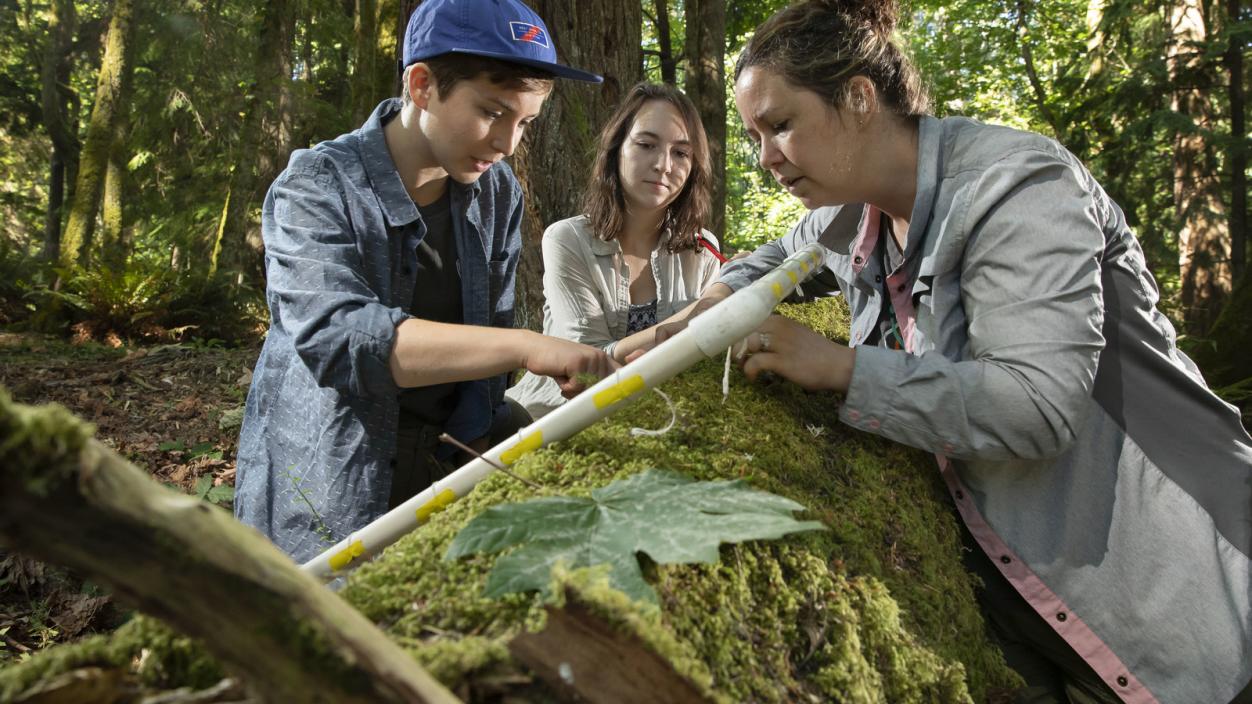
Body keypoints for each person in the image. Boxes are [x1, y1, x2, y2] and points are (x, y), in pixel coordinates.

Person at [667, 1, 1252, 702]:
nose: (765, 158)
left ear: (857, 98)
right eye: (755, 136)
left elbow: (1037, 408)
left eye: (780, 125)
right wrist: (687, 319)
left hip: (1180, 586)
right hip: (1032, 600)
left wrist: (841, 368)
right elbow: (771, 260)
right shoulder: (853, 210)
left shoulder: (1019, 189)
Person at [234, 0, 615, 565]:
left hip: (446, 453)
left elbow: (491, 325)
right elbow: (338, 338)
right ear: (421, 84)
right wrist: (528, 347)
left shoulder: (497, 193)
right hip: (333, 469)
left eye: (525, 123)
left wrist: (483, 434)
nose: (507, 143)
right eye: (491, 112)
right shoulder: (315, 185)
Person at [507, 82, 723, 418]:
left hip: (656, 419)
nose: (664, 165)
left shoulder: (702, 249)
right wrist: (702, 311)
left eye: (681, 152)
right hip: (550, 424)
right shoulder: (566, 240)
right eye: (647, 145)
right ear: (616, 149)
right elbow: (589, 366)